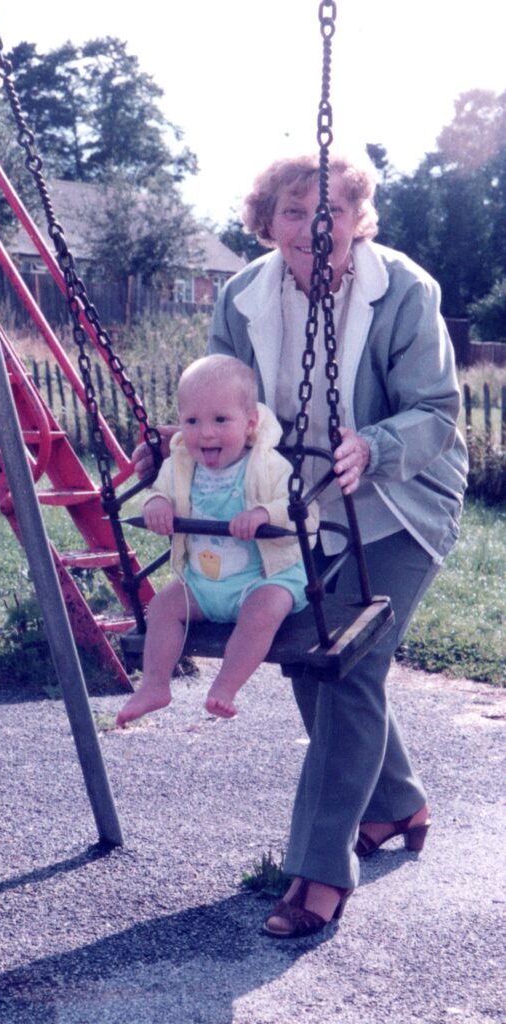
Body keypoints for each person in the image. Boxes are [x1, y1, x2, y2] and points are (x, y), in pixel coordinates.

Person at [133, 152, 468, 939]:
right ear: (266, 220)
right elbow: (219, 397)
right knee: (311, 660)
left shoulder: (403, 292)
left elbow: (435, 410)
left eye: (331, 213)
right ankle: (395, 806)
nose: (312, 229)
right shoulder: (245, 294)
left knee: (346, 662)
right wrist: (176, 446)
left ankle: (318, 871)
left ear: (358, 219)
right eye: (292, 212)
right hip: (292, 501)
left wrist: (372, 447)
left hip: (398, 496)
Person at [116, 354, 318, 728]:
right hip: (204, 583)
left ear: (250, 423)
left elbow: (303, 510)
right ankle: (155, 685)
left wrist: (262, 515)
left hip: (263, 578)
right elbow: (158, 492)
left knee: (263, 613)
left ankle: (226, 685)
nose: (205, 433)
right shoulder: (181, 465)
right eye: (192, 421)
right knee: (161, 609)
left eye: (220, 420)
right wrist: (157, 504)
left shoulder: (268, 465)